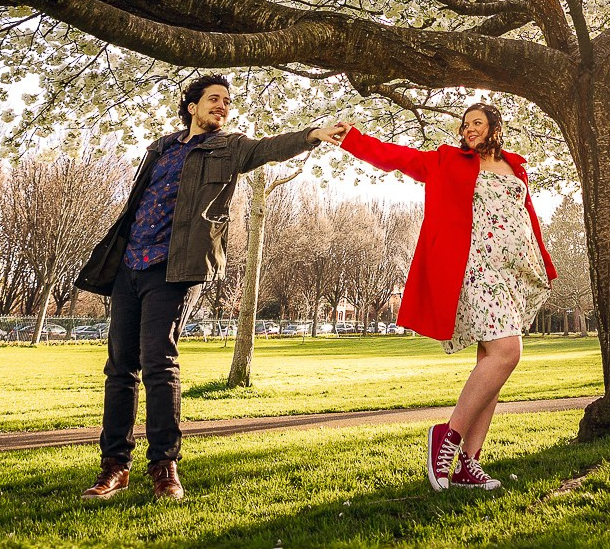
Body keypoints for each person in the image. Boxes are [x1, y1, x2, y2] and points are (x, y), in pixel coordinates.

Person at [72, 74, 346, 501]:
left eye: (227, 101)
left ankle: (164, 466)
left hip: (176, 267)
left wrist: (312, 134)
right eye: (213, 99)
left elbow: (267, 148)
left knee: (159, 363)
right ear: (191, 106)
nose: (222, 106)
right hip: (130, 264)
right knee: (119, 368)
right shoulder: (160, 148)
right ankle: (114, 467)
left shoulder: (230, 147)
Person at [325, 100, 555, 491]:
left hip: (511, 272)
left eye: (477, 123)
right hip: (476, 270)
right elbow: (399, 158)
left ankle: (468, 464)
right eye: (465, 124)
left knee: (492, 362)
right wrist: (353, 140)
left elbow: (526, 217)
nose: (469, 129)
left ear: (494, 128)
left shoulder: (516, 168)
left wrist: (544, 264)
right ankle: (445, 438)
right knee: (508, 352)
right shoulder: (449, 161)